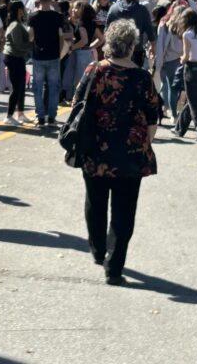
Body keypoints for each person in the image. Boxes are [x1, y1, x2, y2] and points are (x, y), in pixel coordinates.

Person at [73, 19, 161, 285]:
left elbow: (77, 104)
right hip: (130, 154)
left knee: (95, 203)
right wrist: (145, 141)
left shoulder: (94, 70)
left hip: (95, 149)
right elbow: (152, 119)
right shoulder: (142, 78)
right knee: (124, 212)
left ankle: (99, 250)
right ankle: (114, 266)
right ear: (132, 46)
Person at [29, 0, 65, 126]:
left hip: (38, 55)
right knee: (54, 87)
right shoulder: (57, 17)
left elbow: (31, 37)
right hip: (54, 55)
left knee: (37, 88)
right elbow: (61, 37)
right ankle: (51, 116)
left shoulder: (33, 17)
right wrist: (60, 52)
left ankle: (40, 116)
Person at [173, 9, 197, 141]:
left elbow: (185, 56)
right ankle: (180, 128)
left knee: (193, 101)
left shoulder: (187, 35)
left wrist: (181, 59)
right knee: (194, 100)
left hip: (191, 68)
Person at [105, 0, 156, 68]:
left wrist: (107, 47)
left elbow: (106, 30)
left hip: (116, 50)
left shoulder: (113, 8)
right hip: (135, 50)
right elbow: (149, 30)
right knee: (134, 76)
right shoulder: (142, 10)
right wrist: (153, 46)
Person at [63, 1, 103, 101]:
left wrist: (73, 47)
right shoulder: (92, 24)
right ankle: (82, 97)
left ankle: (76, 98)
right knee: (87, 77)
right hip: (87, 53)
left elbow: (84, 40)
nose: (74, 10)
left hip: (80, 53)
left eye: (77, 8)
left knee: (78, 77)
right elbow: (101, 39)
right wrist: (91, 47)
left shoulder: (82, 24)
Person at [2, 0, 33, 125]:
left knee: (21, 87)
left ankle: (20, 113)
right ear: (19, 10)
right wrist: (32, 43)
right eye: (23, 8)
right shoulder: (15, 25)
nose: (25, 10)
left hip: (17, 57)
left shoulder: (18, 23)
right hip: (13, 57)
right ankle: (9, 116)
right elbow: (19, 45)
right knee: (16, 88)